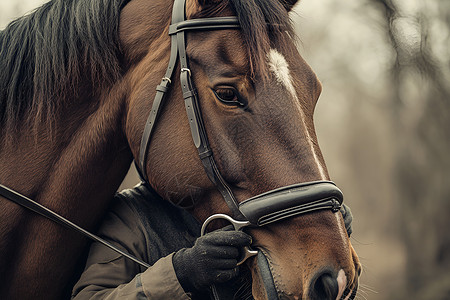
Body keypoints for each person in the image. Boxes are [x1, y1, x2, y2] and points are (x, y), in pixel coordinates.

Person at [71, 183, 353, 300]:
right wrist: (181, 274)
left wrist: (330, 241)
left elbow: (323, 289)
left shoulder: (254, 200)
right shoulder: (129, 214)